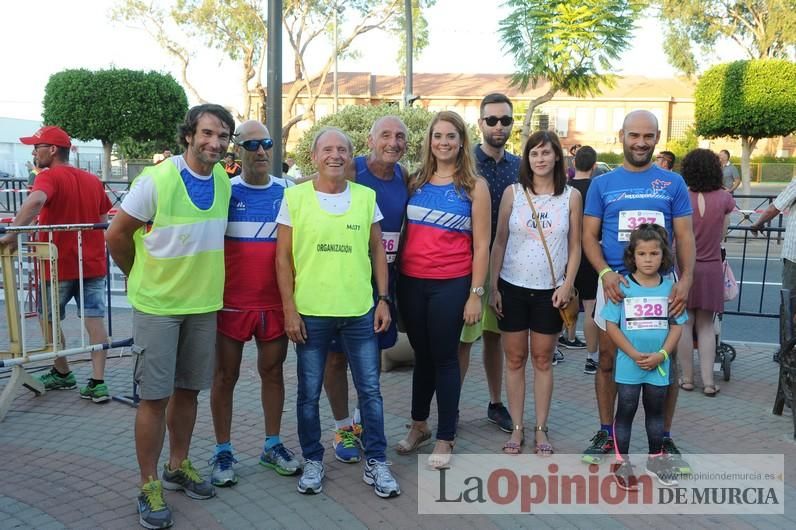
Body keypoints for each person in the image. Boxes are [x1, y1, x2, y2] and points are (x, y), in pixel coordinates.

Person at [105, 104, 234, 529]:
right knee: (154, 398)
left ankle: (177, 466)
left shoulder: (221, 180)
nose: (215, 143)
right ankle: (148, 484)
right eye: (207, 133)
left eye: (223, 136)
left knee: (189, 391)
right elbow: (117, 235)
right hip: (159, 308)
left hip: (201, 305)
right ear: (188, 135)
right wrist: (137, 276)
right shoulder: (157, 179)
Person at [275, 127, 400, 498]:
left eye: (343, 149)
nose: (335, 155)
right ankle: (313, 459)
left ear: (351, 156)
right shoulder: (294, 197)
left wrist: (383, 299)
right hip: (311, 312)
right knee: (308, 394)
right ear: (313, 157)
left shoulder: (365, 196)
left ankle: (376, 461)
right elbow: (282, 258)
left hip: (360, 310)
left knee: (371, 392)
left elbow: (378, 250)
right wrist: (289, 309)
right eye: (327, 149)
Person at [581, 110, 695, 473]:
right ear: (621, 136)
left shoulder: (672, 183)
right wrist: (603, 273)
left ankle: (663, 437)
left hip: (662, 288)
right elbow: (588, 235)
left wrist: (686, 279)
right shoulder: (602, 184)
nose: (641, 142)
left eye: (648, 136)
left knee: (668, 361)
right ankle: (606, 432)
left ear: (658, 137)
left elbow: (684, 236)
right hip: (616, 285)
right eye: (634, 135)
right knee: (608, 359)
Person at [395, 111, 490, 469]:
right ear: (429, 141)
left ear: (462, 141)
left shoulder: (473, 187)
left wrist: (475, 294)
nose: (444, 142)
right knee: (423, 357)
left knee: (446, 358)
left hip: (452, 284)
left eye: (451, 136)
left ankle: (446, 436)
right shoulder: (416, 180)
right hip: (411, 282)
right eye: (438, 136)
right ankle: (419, 425)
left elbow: (482, 245)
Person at [208, 120, 300, 488]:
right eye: (252, 145)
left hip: (275, 305)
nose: (261, 151)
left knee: (273, 373)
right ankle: (222, 449)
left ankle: (272, 444)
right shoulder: (224, 192)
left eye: (267, 144)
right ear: (238, 151)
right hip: (231, 304)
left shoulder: (289, 191)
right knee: (225, 378)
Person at [0, 126, 112, 403]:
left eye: (37, 147)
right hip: (92, 262)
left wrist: (13, 234)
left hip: (57, 262)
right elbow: (103, 216)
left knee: (48, 317)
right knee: (94, 319)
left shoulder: (48, 177)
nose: (34, 152)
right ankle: (98, 382)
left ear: (52, 150)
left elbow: (36, 200)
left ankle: (62, 373)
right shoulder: (91, 179)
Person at [321, 116, 409, 464]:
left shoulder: (404, 177)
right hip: (343, 280)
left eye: (400, 136)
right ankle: (342, 426)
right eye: (385, 135)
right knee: (336, 357)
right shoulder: (352, 169)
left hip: (384, 284)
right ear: (370, 140)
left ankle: (359, 420)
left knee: (369, 360)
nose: (393, 142)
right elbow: (308, 191)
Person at [489, 130, 581, 455]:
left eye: (546, 153)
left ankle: (541, 429)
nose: (540, 159)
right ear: (527, 159)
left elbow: (575, 245)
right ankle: (516, 427)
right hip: (512, 287)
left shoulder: (570, 196)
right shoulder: (513, 194)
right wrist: (492, 286)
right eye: (534, 154)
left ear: (557, 156)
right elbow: (499, 241)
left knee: (543, 360)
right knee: (514, 360)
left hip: (550, 292)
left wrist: (568, 283)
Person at [602, 224, 686, 490]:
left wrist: (662, 355)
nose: (648, 259)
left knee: (655, 413)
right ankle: (622, 463)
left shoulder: (670, 287)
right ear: (632, 256)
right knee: (625, 410)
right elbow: (611, 326)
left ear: (664, 256)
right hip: (630, 364)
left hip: (658, 366)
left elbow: (677, 324)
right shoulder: (623, 286)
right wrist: (633, 353)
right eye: (642, 254)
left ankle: (656, 459)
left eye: (654, 253)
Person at [458, 93, 520, 434]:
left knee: (496, 339)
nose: (499, 126)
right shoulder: (466, 164)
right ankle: (451, 407)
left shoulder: (520, 166)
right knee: (463, 340)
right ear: (480, 123)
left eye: (505, 120)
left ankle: (496, 404)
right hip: (468, 264)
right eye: (492, 120)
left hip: (508, 267)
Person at [675, 149, 734, 397]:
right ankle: (709, 382)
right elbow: (722, 235)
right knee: (707, 326)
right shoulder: (724, 198)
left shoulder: (681, 197)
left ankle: (687, 379)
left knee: (685, 323)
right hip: (711, 267)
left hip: (683, 267)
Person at [565, 146, 600, 374]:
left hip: (565, 251)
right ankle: (591, 356)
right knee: (590, 307)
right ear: (595, 166)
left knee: (563, 300)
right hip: (589, 252)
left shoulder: (564, 189)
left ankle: (561, 344)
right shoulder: (597, 189)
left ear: (574, 163)